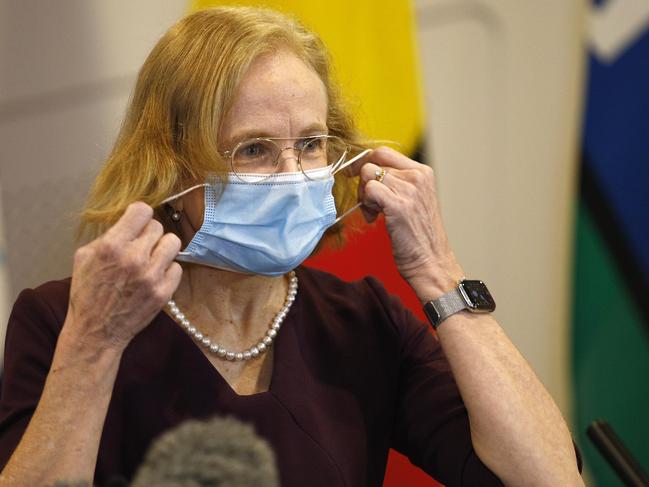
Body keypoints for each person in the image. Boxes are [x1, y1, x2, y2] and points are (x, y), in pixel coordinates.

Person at [0, 6, 583, 487]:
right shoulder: (67, 321)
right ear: (171, 169)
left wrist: (438, 273)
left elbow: (550, 478)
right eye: (253, 149)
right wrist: (95, 346)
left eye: (310, 143)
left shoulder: (363, 322)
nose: (292, 173)